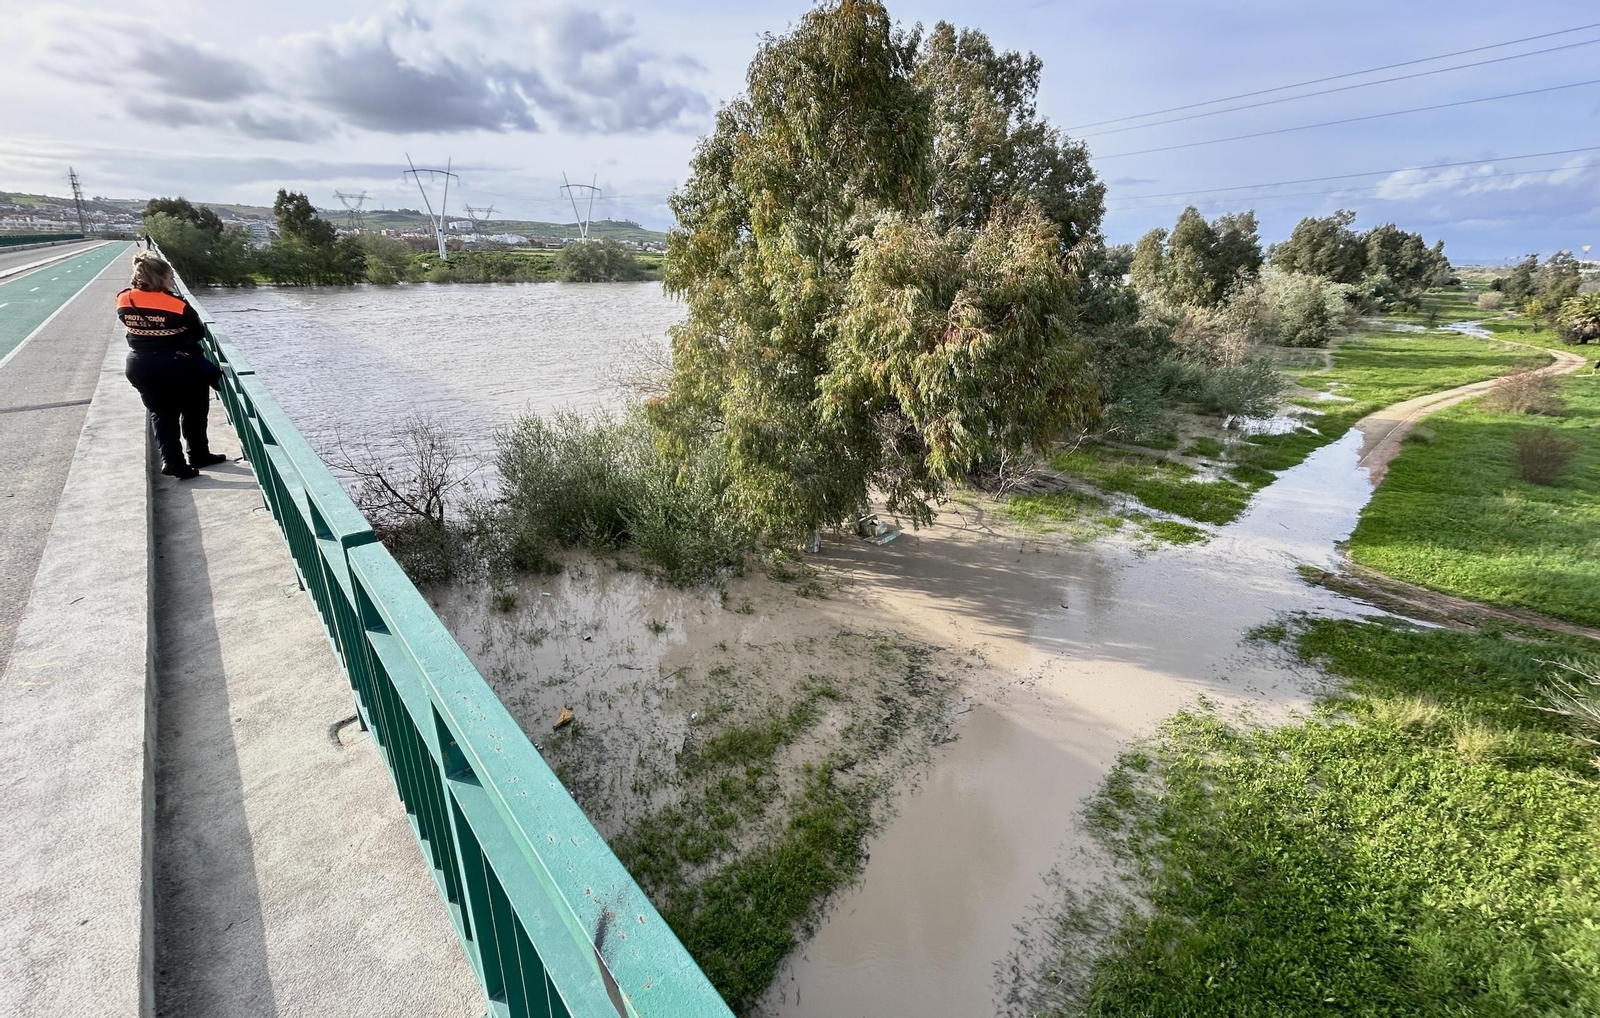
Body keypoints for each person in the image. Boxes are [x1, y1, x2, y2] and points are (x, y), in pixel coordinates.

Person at [116, 252, 225, 478]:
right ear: (162, 278)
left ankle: (173, 462)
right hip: (177, 365)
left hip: (139, 364)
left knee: (161, 414)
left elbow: (125, 320)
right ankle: (198, 454)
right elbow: (198, 332)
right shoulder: (176, 304)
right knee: (194, 410)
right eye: (171, 277)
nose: (173, 281)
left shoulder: (124, 298)